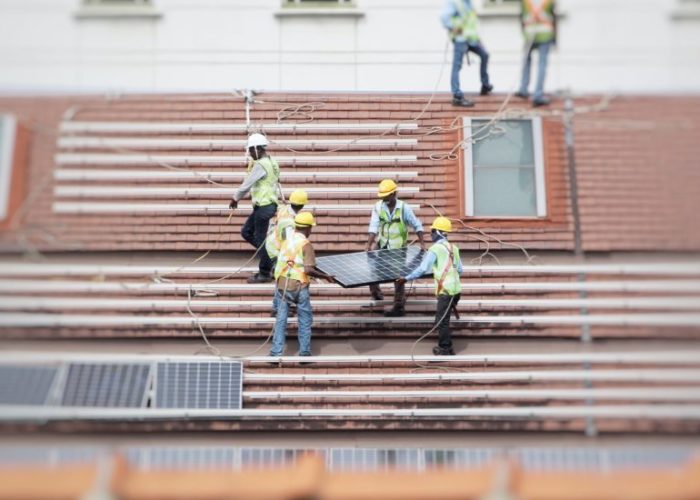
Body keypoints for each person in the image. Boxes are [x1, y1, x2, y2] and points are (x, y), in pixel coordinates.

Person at [269, 212, 334, 358]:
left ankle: (275, 353)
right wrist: (326, 277)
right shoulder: (306, 244)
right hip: (299, 285)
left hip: (282, 285)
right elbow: (309, 269)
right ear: (309, 228)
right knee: (304, 320)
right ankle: (304, 352)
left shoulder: (287, 240)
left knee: (280, 321)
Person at [398, 217, 463, 356]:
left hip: (446, 291)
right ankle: (447, 344)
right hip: (456, 291)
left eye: (432, 231)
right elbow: (460, 270)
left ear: (438, 232)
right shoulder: (454, 248)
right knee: (442, 318)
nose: (431, 234)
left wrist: (405, 279)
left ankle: (445, 348)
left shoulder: (435, 249)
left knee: (442, 321)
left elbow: (422, 269)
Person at [366, 179, 426, 317]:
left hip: (398, 247)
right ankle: (376, 294)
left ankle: (399, 307)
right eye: (382, 196)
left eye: (387, 196)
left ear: (394, 194)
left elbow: (416, 225)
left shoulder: (404, 208)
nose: (384, 198)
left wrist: (422, 243)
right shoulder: (378, 207)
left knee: (398, 277)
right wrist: (368, 245)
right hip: (382, 244)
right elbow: (373, 226)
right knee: (370, 266)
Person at [229, 133, 281, 284]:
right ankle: (270, 258)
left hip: (264, 206)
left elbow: (247, 183)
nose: (250, 154)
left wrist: (235, 198)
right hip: (265, 206)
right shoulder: (272, 161)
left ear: (258, 149)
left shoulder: (261, 164)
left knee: (259, 239)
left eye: (251, 150)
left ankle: (265, 272)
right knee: (246, 232)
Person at [441, 0, 494, 108]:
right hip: (460, 39)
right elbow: (444, 17)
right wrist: (453, 27)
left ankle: (485, 85)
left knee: (485, 55)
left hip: (471, 39)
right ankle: (457, 95)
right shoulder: (455, 3)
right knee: (457, 65)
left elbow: (471, 24)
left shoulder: (469, 3)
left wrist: (477, 39)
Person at [266, 189, 308, 317]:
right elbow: (289, 243)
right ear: (302, 205)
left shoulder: (284, 209)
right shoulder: (289, 223)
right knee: (283, 277)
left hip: (273, 245)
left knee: (282, 276)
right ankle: (277, 307)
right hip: (278, 249)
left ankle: (277, 307)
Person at [516, 0, 557, 107]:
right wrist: (555, 38)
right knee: (542, 64)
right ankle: (538, 95)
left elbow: (521, 16)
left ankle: (523, 89)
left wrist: (524, 32)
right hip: (545, 34)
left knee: (526, 61)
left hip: (529, 34)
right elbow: (553, 16)